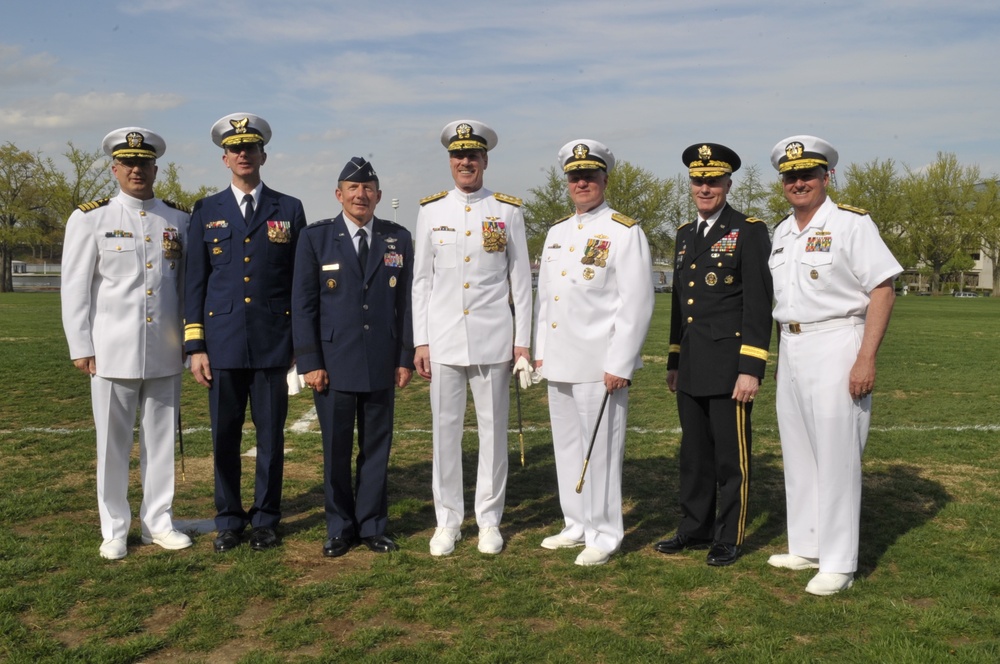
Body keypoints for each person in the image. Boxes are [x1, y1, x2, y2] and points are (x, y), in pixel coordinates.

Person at [767, 135, 901, 595]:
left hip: (838, 342)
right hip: (792, 344)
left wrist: (866, 357)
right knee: (799, 449)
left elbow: (882, 288)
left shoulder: (850, 224)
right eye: (791, 176)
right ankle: (807, 544)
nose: (798, 182)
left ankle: (840, 561)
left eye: (808, 174)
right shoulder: (782, 232)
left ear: (828, 176)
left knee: (838, 454)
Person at [61, 127, 193, 560]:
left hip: (165, 349)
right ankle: (114, 527)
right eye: (128, 163)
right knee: (112, 445)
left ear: (155, 167)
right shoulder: (90, 217)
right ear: (115, 168)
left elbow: (188, 285)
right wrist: (81, 344)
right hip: (111, 351)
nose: (137, 170)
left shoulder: (178, 219)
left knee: (160, 444)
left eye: (144, 162)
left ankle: (159, 521)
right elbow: (75, 286)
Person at [184, 113, 307, 553]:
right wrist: (195, 345)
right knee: (224, 437)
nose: (243, 154)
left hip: (274, 341)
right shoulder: (206, 210)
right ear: (225, 158)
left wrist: (299, 341)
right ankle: (229, 519)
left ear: (262, 155)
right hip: (223, 343)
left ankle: (266, 519)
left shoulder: (288, 208)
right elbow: (194, 281)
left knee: (270, 438)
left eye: (250, 148)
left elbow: (299, 278)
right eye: (235, 149)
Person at [411, 120, 533, 556]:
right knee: (445, 437)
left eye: (473, 155)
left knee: (492, 434)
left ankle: (488, 521)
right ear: (450, 161)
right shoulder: (431, 210)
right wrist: (420, 341)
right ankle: (447, 522)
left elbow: (521, 281)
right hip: (443, 340)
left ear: (485, 160)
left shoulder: (506, 210)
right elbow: (421, 281)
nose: (465, 162)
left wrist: (523, 342)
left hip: (493, 339)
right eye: (458, 156)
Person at [533, 139, 654, 566]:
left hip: (600, 363)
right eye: (574, 176)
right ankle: (576, 522)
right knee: (567, 447)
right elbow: (547, 299)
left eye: (589, 175)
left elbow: (636, 303)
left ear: (605, 178)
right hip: (561, 359)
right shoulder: (557, 232)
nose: (581, 182)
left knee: (601, 449)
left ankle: (605, 532)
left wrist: (620, 362)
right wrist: (541, 353)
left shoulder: (624, 230)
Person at [654, 144, 773, 567]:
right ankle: (693, 527)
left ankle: (729, 535)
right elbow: (678, 305)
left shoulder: (749, 230)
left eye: (713, 180)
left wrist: (751, 368)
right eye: (698, 180)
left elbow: (759, 305)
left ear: (728, 183)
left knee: (729, 457)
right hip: (691, 363)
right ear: (690, 184)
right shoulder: (685, 234)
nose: (705, 187)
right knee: (694, 455)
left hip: (729, 367)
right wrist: (673, 360)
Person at [292, 157, 414, 558]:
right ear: (338, 194)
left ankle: (373, 526)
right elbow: (304, 305)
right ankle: (340, 527)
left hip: (381, 360)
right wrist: (310, 362)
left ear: (378, 195)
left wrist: (404, 356)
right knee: (336, 451)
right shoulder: (316, 239)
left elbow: (406, 304)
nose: (360, 195)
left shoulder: (398, 238)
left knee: (377, 449)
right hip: (333, 363)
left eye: (368, 189)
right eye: (352, 188)